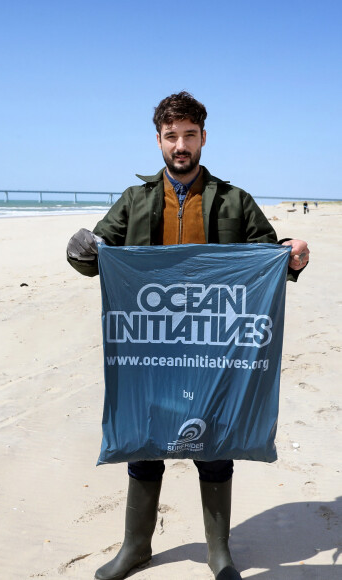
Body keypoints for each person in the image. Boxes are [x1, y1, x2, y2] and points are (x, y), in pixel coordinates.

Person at [66, 91, 310, 580]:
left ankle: (219, 552)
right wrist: (81, 249)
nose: (181, 145)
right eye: (171, 136)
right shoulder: (135, 200)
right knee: (145, 443)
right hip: (153, 346)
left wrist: (293, 253)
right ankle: (136, 547)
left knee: (214, 444)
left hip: (215, 345)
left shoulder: (235, 200)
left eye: (189, 136)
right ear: (158, 140)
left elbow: (267, 256)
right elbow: (96, 257)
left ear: (203, 137)